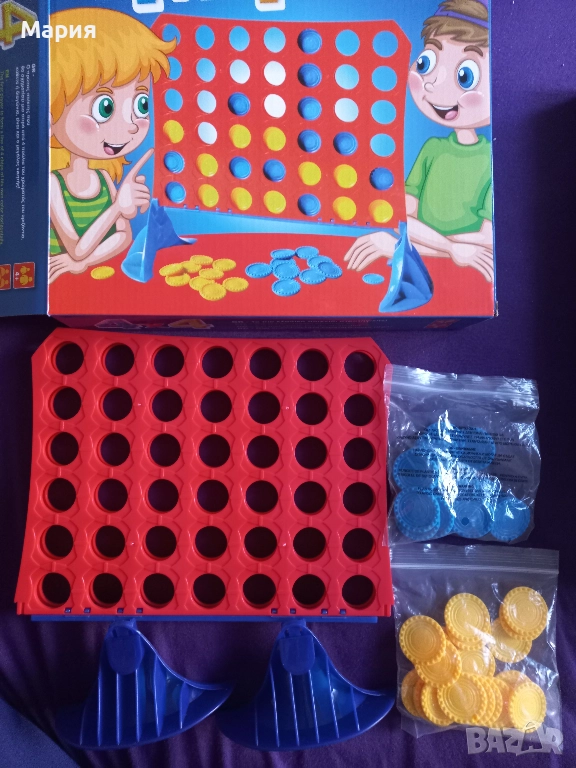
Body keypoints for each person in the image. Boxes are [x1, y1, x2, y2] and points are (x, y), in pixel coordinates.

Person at [345, 0, 493, 283]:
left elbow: (486, 239)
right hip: (426, 263)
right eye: (426, 63)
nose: (433, 84)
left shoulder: (490, 159)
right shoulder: (433, 149)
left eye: (465, 76)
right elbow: (403, 217)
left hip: (470, 276)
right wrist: (450, 248)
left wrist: (400, 245)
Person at [48, 8, 175, 283]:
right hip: (57, 283)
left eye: (141, 104)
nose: (130, 126)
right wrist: (118, 207)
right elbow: (76, 249)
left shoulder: (104, 178)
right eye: (105, 108)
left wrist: (81, 263)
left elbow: (122, 237)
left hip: (91, 276)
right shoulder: (53, 184)